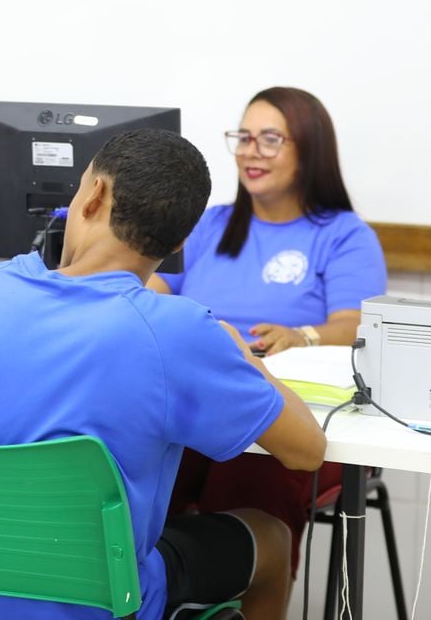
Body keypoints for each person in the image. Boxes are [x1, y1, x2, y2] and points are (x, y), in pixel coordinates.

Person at [0, 128, 327, 620]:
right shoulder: (179, 333)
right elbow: (307, 451)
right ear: (178, 242)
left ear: (93, 196)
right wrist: (245, 356)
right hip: (96, 604)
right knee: (272, 537)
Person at [149, 86, 387, 579]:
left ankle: (247, 587)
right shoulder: (207, 225)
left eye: (270, 139)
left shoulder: (344, 235)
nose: (250, 151)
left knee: (246, 475)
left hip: (284, 411)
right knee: (140, 454)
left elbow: (355, 325)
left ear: (309, 150)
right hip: (194, 399)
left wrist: (302, 336)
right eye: (243, 137)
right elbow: (152, 288)